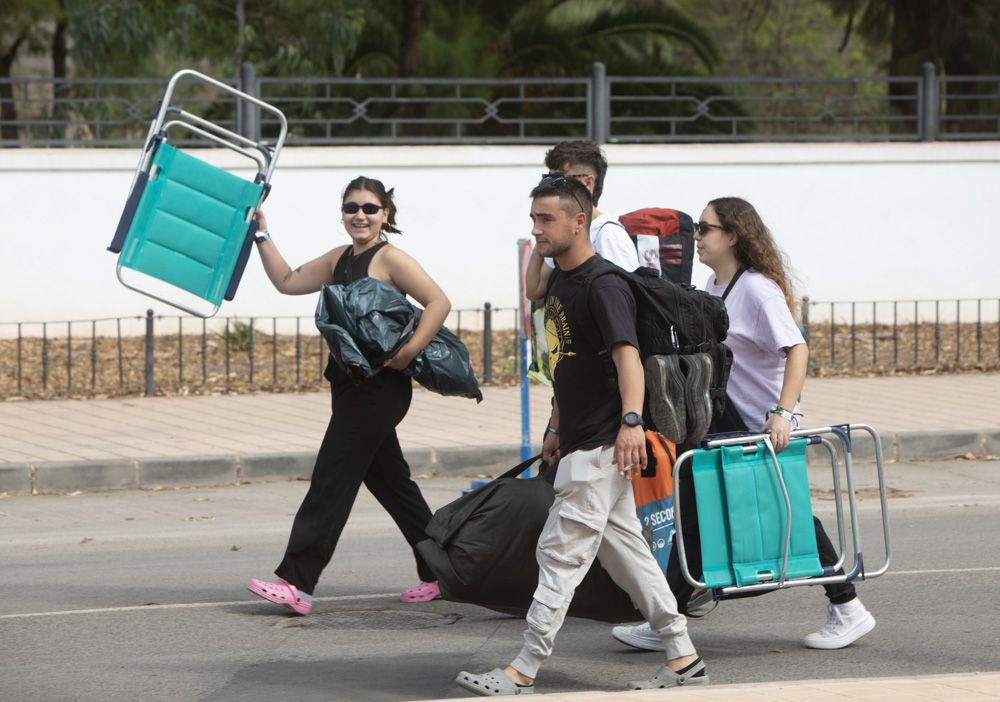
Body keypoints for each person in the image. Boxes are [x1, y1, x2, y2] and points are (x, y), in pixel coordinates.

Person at [454, 176, 707, 697]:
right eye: (533, 219)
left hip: (601, 444)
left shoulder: (603, 284)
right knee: (628, 553)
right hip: (580, 437)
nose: (535, 230)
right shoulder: (563, 282)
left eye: (545, 220)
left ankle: (523, 669)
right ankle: (682, 656)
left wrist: (632, 423)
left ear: (579, 221)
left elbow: (627, 357)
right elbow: (566, 361)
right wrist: (555, 423)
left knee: (559, 556)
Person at [612, 196, 877, 652]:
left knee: (784, 517)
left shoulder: (756, 288)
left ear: (732, 235)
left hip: (760, 425)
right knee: (693, 514)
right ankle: (667, 620)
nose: (696, 237)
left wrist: (783, 412)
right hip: (727, 422)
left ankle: (849, 607)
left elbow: (797, 349)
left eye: (705, 229)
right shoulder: (714, 286)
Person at [246, 176, 450, 614]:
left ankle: (297, 583)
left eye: (370, 208)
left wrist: (408, 351)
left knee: (331, 480)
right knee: (395, 486)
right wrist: (261, 232)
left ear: (385, 215)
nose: (360, 215)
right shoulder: (340, 259)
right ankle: (444, 572)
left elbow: (438, 302)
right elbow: (286, 280)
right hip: (348, 385)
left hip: (379, 389)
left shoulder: (391, 258)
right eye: (352, 207)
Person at [524, 140, 639, 302]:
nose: (550, 186)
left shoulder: (608, 234)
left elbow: (626, 301)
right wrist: (542, 236)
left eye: (559, 180)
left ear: (588, 182)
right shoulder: (561, 232)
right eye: (548, 178)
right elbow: (534, 291)